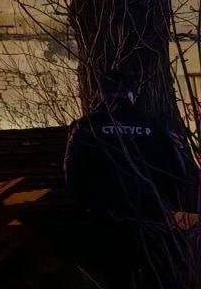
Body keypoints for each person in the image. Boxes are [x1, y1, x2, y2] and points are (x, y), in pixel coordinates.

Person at [65, 83, 196, 287]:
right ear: (131, 95)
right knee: (154, 272)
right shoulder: (152, 124)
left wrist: (86, 205)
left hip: (105, 215)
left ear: (100, 95)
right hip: (150, 214)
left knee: (116, 274)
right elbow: (175, 169)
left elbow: (72, 172)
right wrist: (167, 203)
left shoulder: (86, 126)